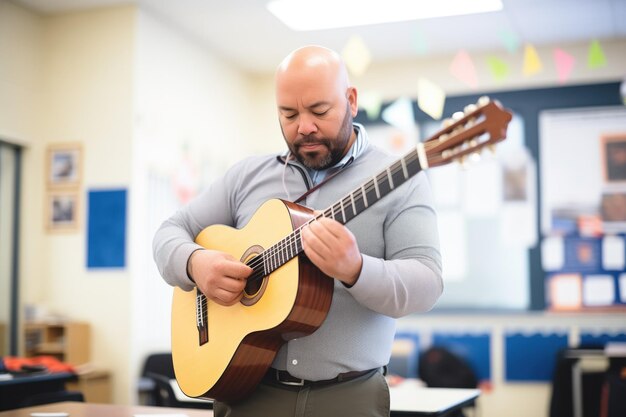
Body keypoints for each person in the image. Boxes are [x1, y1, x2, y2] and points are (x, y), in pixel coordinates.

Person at [153, 45, 443, 417]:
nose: (304, 126)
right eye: (288, 114)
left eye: (319, 110)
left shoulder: (401, 180)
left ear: (351, 101)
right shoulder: (246, 176)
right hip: (245, 391)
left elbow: (427, 283)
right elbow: (169, 231)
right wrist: (195, 263)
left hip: (347, 398)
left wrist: (356, 269)